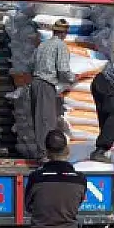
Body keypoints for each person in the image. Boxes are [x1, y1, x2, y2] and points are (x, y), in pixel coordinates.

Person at [27, 19, 76, 161]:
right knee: (46, 120)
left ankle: (41, 151)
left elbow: (30, 64)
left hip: (35, 83)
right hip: (46, 84)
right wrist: (73, 78)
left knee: (39, 119)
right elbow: (62, 70)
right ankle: (45, 155)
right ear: (65, 33)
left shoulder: (42, 45)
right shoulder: (60, 46)